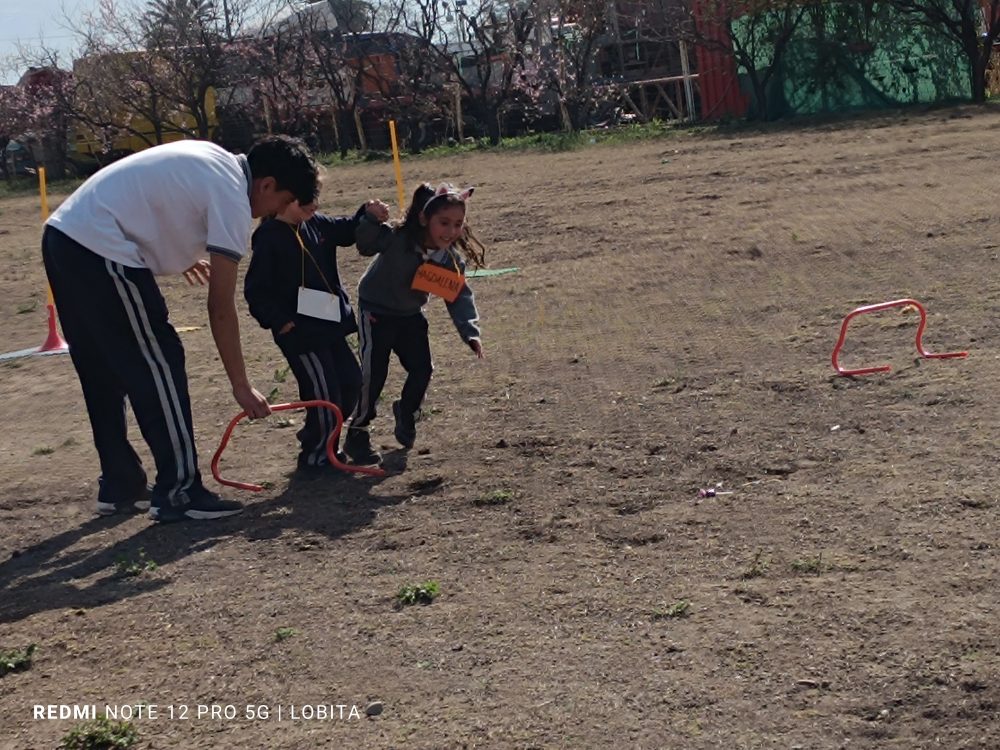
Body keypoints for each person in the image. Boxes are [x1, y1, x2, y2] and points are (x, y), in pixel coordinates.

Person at [42, 135, 319, 522]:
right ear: (267, 184)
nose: (274, 212)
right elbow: (220, 307)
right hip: (100, 247)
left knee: (102, 369)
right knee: (160, 359)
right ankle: (180, 490)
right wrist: (241, 384)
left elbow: (153, 196)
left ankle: (120, 484)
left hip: (62, 234)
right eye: (282, 202)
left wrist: (178, 253)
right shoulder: (234, 197)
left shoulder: (214, 157)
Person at [244, 193, 390, 473]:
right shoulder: (268, 236)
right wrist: (280, 321)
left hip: (328, 324)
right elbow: (256, 290)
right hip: (300, 334)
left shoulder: (317, 223)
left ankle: (322, 438)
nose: (314, 204)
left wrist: (367, 213)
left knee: (351, 383)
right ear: (285, 197)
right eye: (305, 198)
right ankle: (315, 456)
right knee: (324, 393)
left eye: (315, 196)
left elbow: (346, 230)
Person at [347, 182, 486, 463]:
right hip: (376, 311)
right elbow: (365, 243)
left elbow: (458, 296)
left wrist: (470, 331)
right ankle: (357, 431)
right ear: (424, 219)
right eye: (443, 222)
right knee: (374, 372)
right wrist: (370, 218)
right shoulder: (398, 238)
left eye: (458, 224)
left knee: (422, 368)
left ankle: (407, 411)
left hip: (410, 314)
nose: (451, 231)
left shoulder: (448, 260)